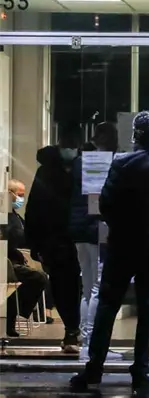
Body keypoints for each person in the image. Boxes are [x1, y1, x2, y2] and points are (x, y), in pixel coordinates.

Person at [70, 111, 149, 392]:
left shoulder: (122, 162)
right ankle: (141, 371)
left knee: (108, 304)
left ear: (135, 133)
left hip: (123, 245)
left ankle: (95, 368)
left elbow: (107, 203)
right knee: (147, 308)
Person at [25, 128, 83, 352]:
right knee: (65, 285)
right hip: (59, 239)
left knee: (72, 285)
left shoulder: (78, 168)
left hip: (66, 237)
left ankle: (75, 330)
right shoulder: (48, 171)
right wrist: (35, 243)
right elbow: (35, 208)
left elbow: (34, 208)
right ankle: (72, 329)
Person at [70, 122, 123, 362]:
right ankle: (92, 345)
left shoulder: (80, 162)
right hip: (98, 229)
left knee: (87, 286)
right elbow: (103, 200)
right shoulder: (108, 163)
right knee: (98, 288)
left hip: (80, 229)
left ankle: (85, 341)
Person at [5, 180, 48, 338]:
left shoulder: (15, 217)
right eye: (19, 195)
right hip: (9, 263)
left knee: (41, 277)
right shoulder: (5, 217)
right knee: (39, 278)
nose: (21, 199)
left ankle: (16, 314)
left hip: (17, 260)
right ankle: (15, 314)